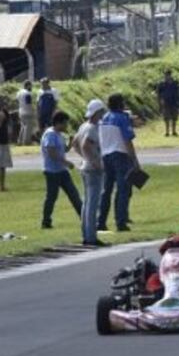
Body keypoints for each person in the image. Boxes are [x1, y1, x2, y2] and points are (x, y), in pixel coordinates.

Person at [98, 93, 138, 232]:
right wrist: (134, 160)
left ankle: (101, 221)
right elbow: (127, 140)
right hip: (120, 154)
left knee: (107, 190)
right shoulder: (121, 118)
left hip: (106, 154)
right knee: (123, 189)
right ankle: (120, 221)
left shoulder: (104, 118)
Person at [72, 99, 106, 246]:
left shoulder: (83, 126)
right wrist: (95, 162)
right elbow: (85, 145)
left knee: (87, 202)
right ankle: (91, 236)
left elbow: (75, 143)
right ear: (97, 112)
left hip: (85, 167)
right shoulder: (92, 128)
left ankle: (86, 233)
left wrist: (84, 158)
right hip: (93, 169)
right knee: (93, 203)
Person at [40, 111, 82, 229]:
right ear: (59, 123)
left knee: (74, 194)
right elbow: (51, 152)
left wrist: (71, 142)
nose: (66, 126)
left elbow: (64, 150)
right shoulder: (50, 134)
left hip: (62, 171)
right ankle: (46, 221)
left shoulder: (59, 134)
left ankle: (84, 217)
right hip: (52, 172)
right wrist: (66, 162)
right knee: (51, 197)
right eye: (65, 123)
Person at [155, 69, 179, 137]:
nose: (167, 76)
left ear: (170, 75)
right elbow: (158, 94)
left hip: (174, 102)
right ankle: (167, 132)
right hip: (165, 103)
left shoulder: (175, 83)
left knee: (174, 118)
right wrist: (159, 103)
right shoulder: (161, 84)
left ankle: (174, 131)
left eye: (168, 75)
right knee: (166, 118)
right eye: (166, 75)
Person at [16, 80, 36, 145]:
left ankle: (19, 141)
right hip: (28, 111)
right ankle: (27, 141)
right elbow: (28, 103)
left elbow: (17, 102)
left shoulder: (19, 92)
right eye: (31, 86)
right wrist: (33, 111)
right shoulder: (27, 93)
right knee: (28, 127)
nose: (31, 87)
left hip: (21, 111)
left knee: (22, 127)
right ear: (28, 85)